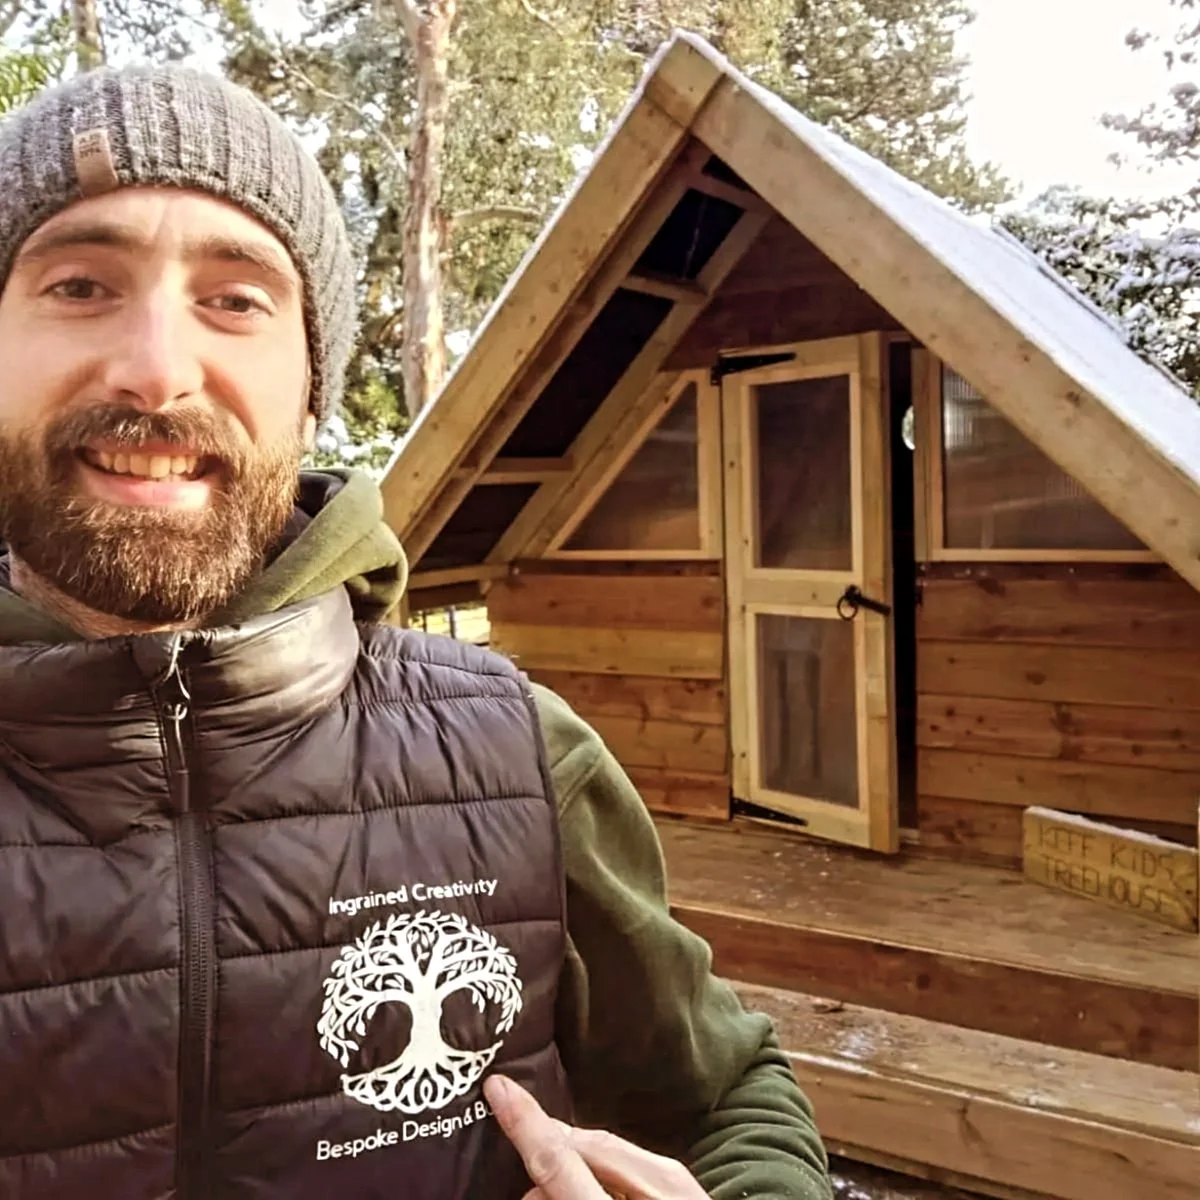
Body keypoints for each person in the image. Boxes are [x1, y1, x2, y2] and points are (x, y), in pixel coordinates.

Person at [0, 64, 833, 1200]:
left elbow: (731, 1098)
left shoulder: (524, 757)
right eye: (80, 285)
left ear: (309, 382)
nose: (155, 368)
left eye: (237, 299)